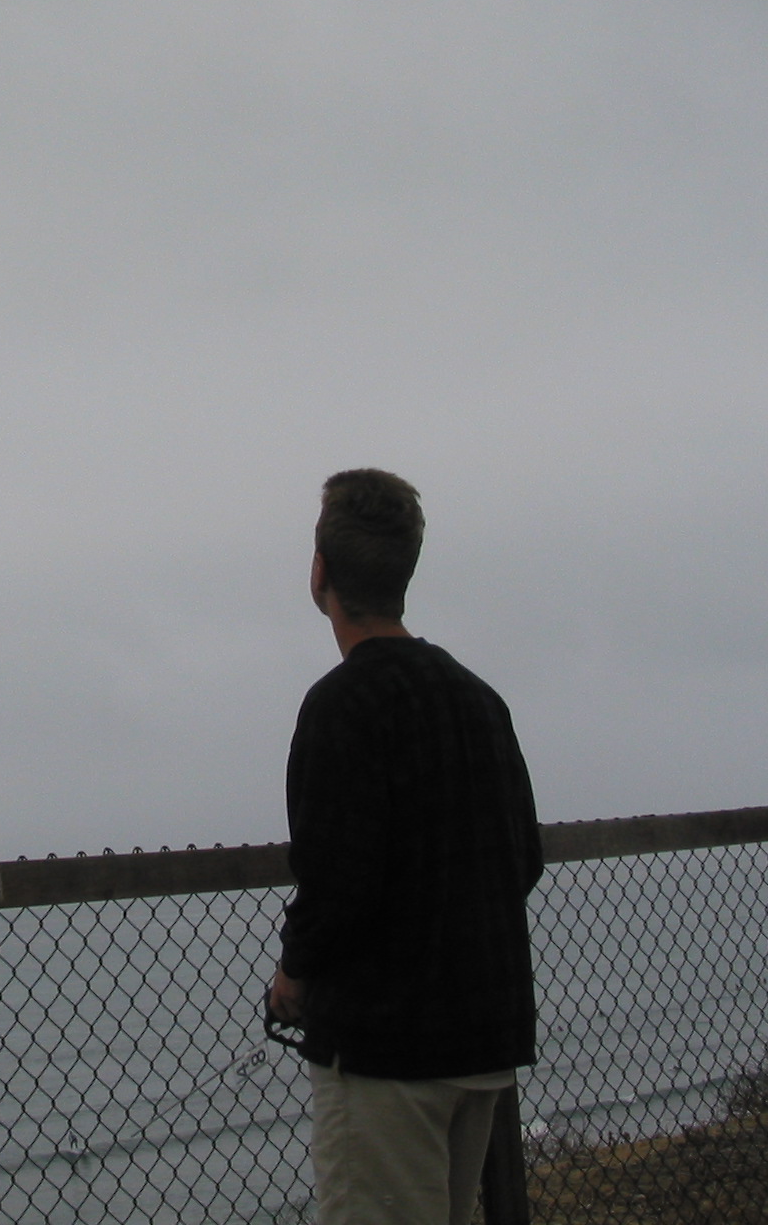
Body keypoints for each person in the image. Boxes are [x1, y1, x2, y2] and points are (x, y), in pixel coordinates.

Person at [268, 469, 543, 1225]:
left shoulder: (339, 707)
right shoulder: (478, 699)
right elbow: (523, 859)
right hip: (483, 1038)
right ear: (404, 572)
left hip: (386, 1054)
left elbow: (335, 887)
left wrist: (292, 975)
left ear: (320, 573)